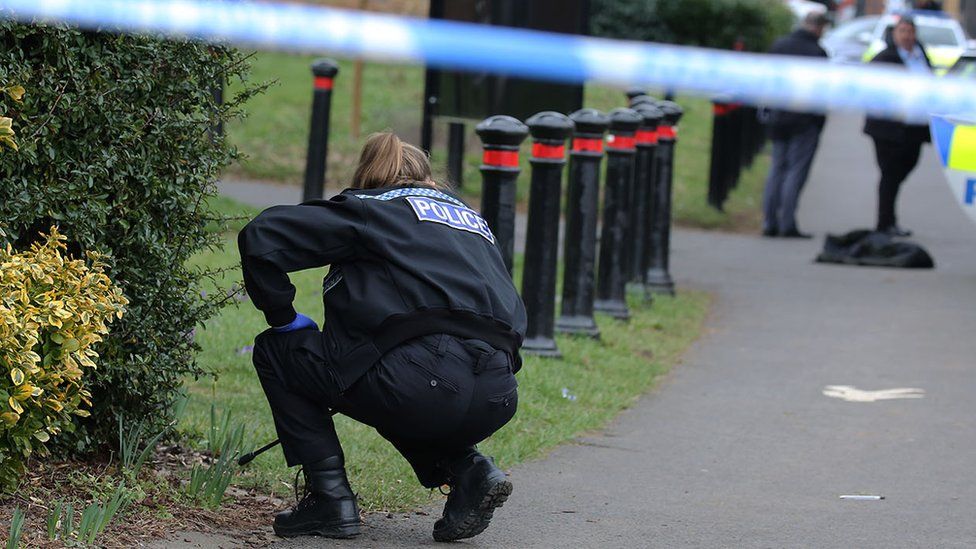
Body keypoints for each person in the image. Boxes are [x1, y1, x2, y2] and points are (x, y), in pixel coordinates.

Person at [238, 132, 526, 542]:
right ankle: (470, 470)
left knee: (278, 351)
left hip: (420, 380)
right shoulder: (472, 221)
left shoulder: (372, 207)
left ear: (368, 177)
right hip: (499, 391)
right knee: (394, 376)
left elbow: (262, 236)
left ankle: (329, 500)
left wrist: (283, 317)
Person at [761, 12, 831, 238]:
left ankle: (769, 222)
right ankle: (787, 224)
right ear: (819, 28)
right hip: (804, 119)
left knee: (777, 169)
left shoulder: (779, 46)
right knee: (795, 172)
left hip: (778, 116)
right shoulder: (818, 53)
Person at [863, 16, 931, 236]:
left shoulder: (920, 55)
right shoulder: (885, 58)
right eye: (902, 31)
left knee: (905, 167)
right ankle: (885, 223)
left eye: (910, 31)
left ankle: (888, 222)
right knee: (890, 174)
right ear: (894, 34)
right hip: (889, 130)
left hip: (914, 128)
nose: (907, 36)